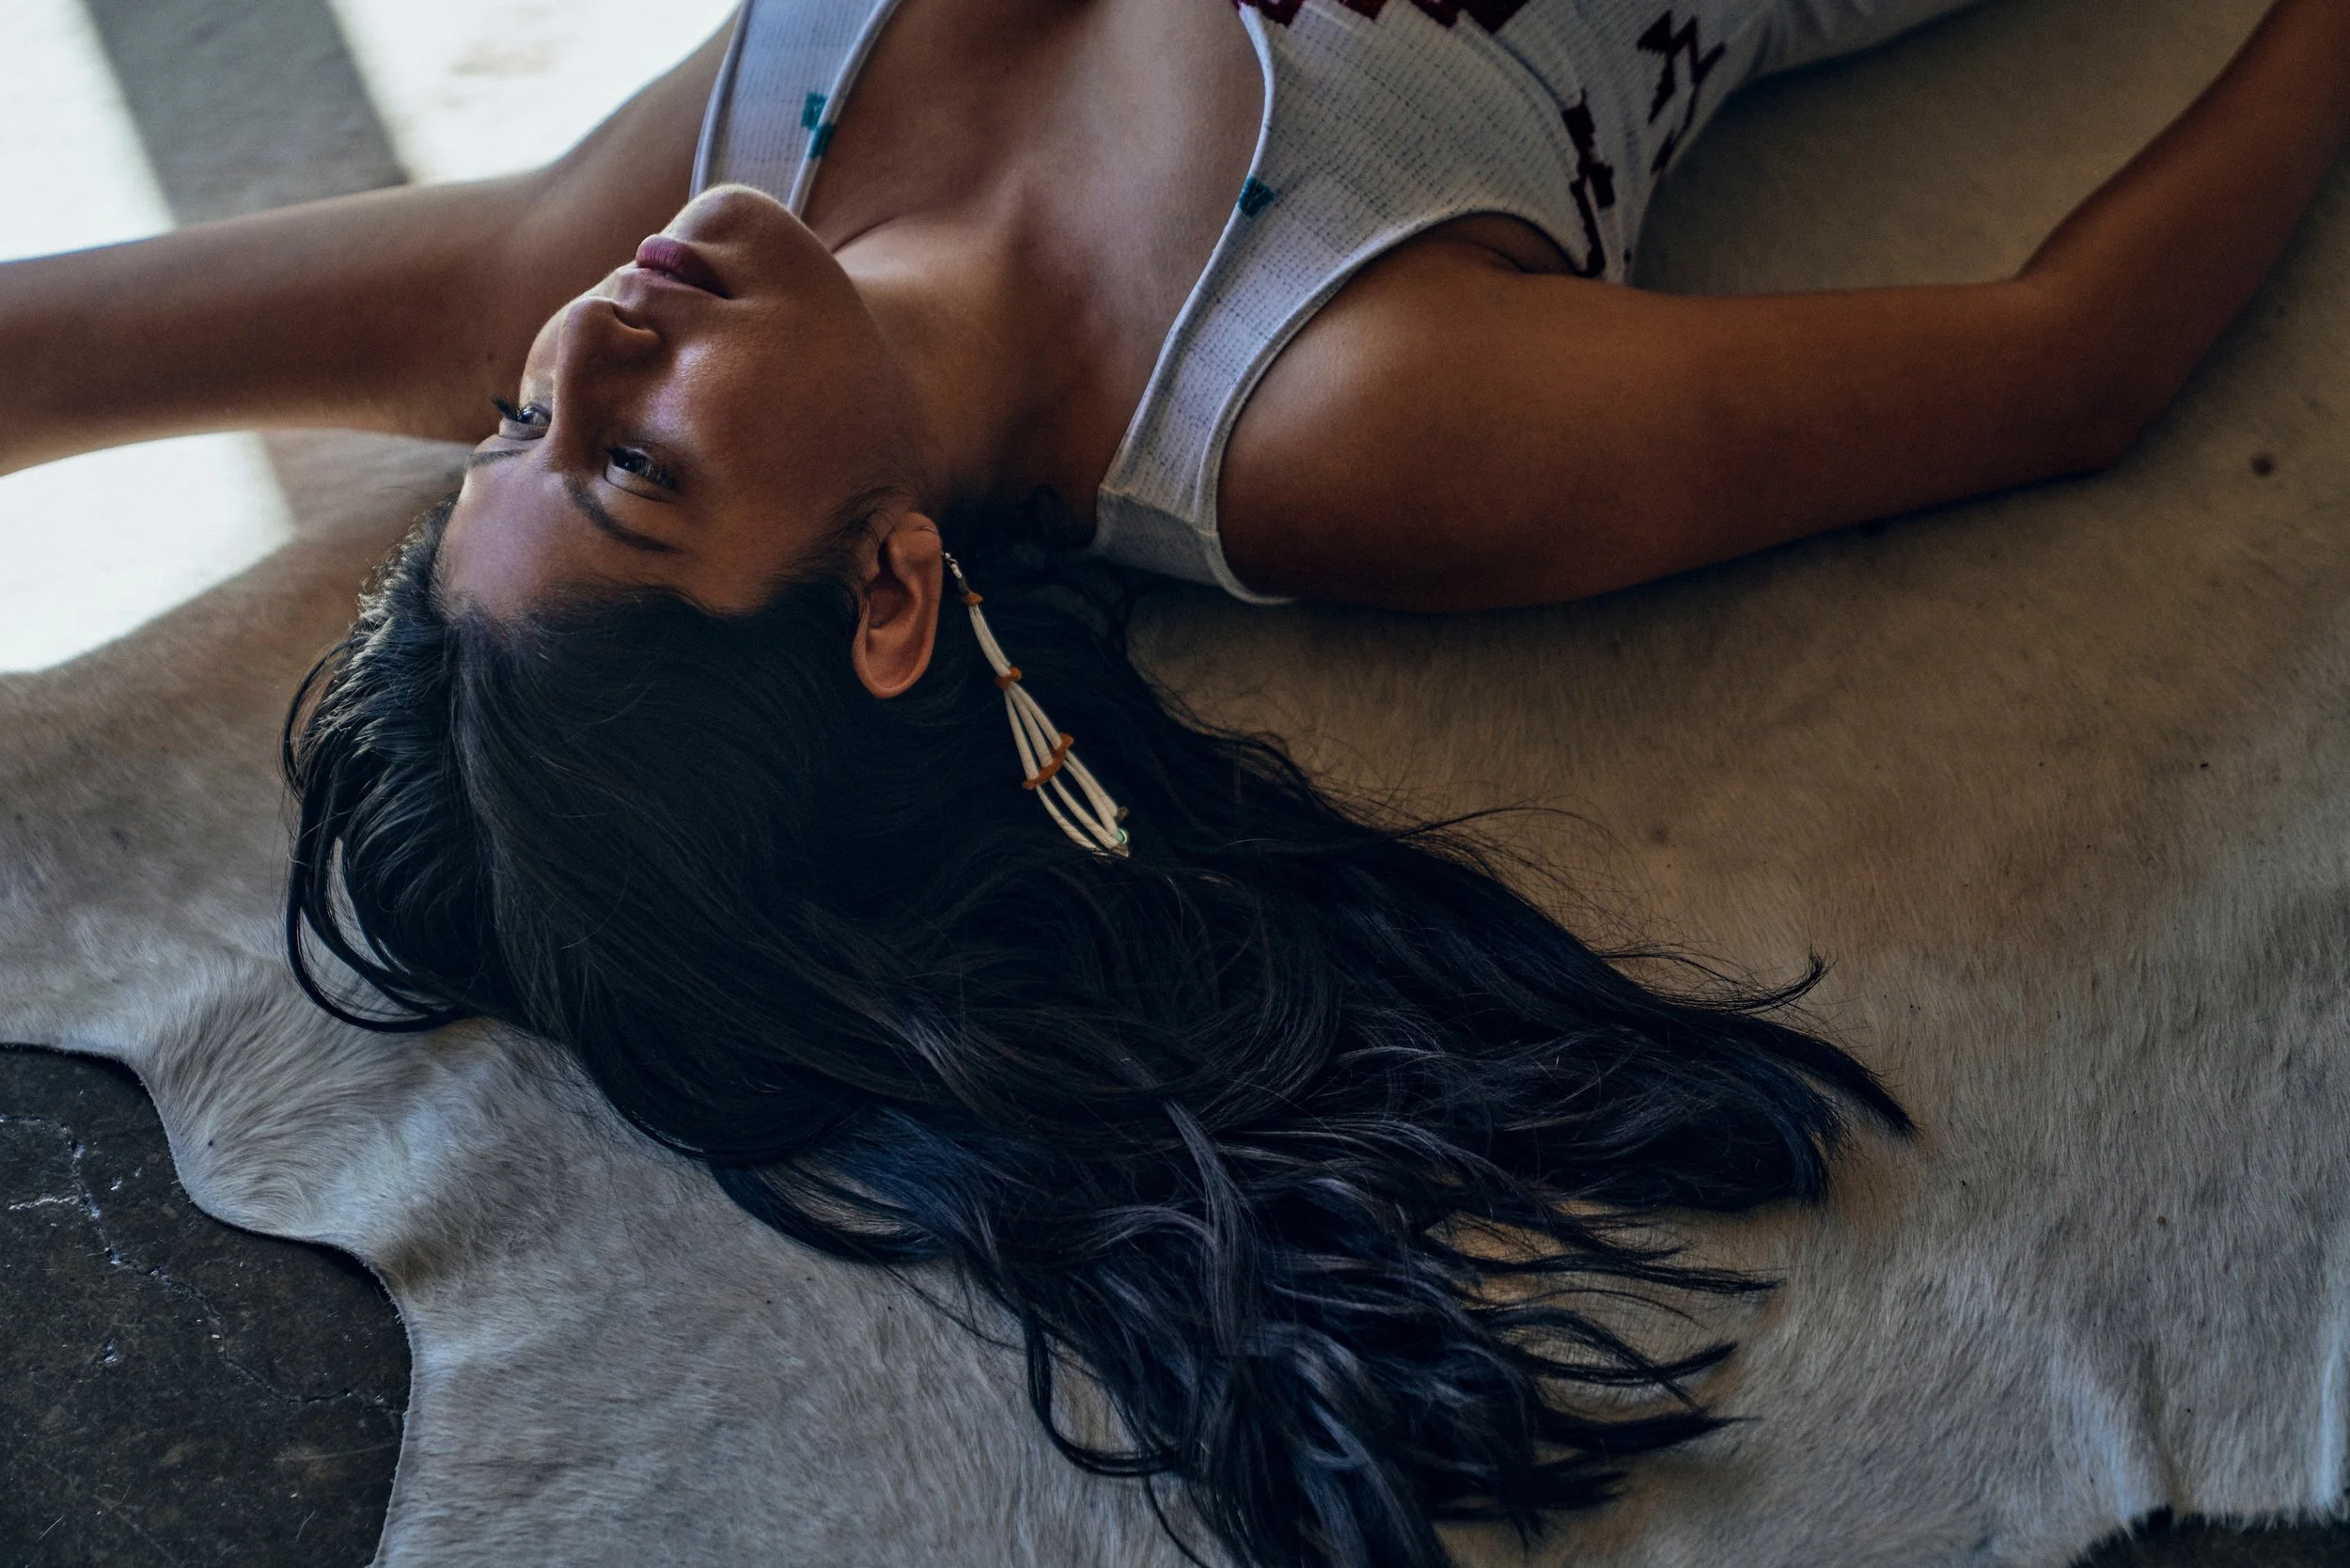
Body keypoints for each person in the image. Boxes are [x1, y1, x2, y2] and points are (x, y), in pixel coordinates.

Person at [6, 2, 2347, 1564]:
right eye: (627, 474)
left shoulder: (664, 232)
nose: (584, 346)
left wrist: (561, 440)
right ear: (890, 602)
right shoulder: (1338, 413)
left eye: (516, 434)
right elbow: (2065, 364)